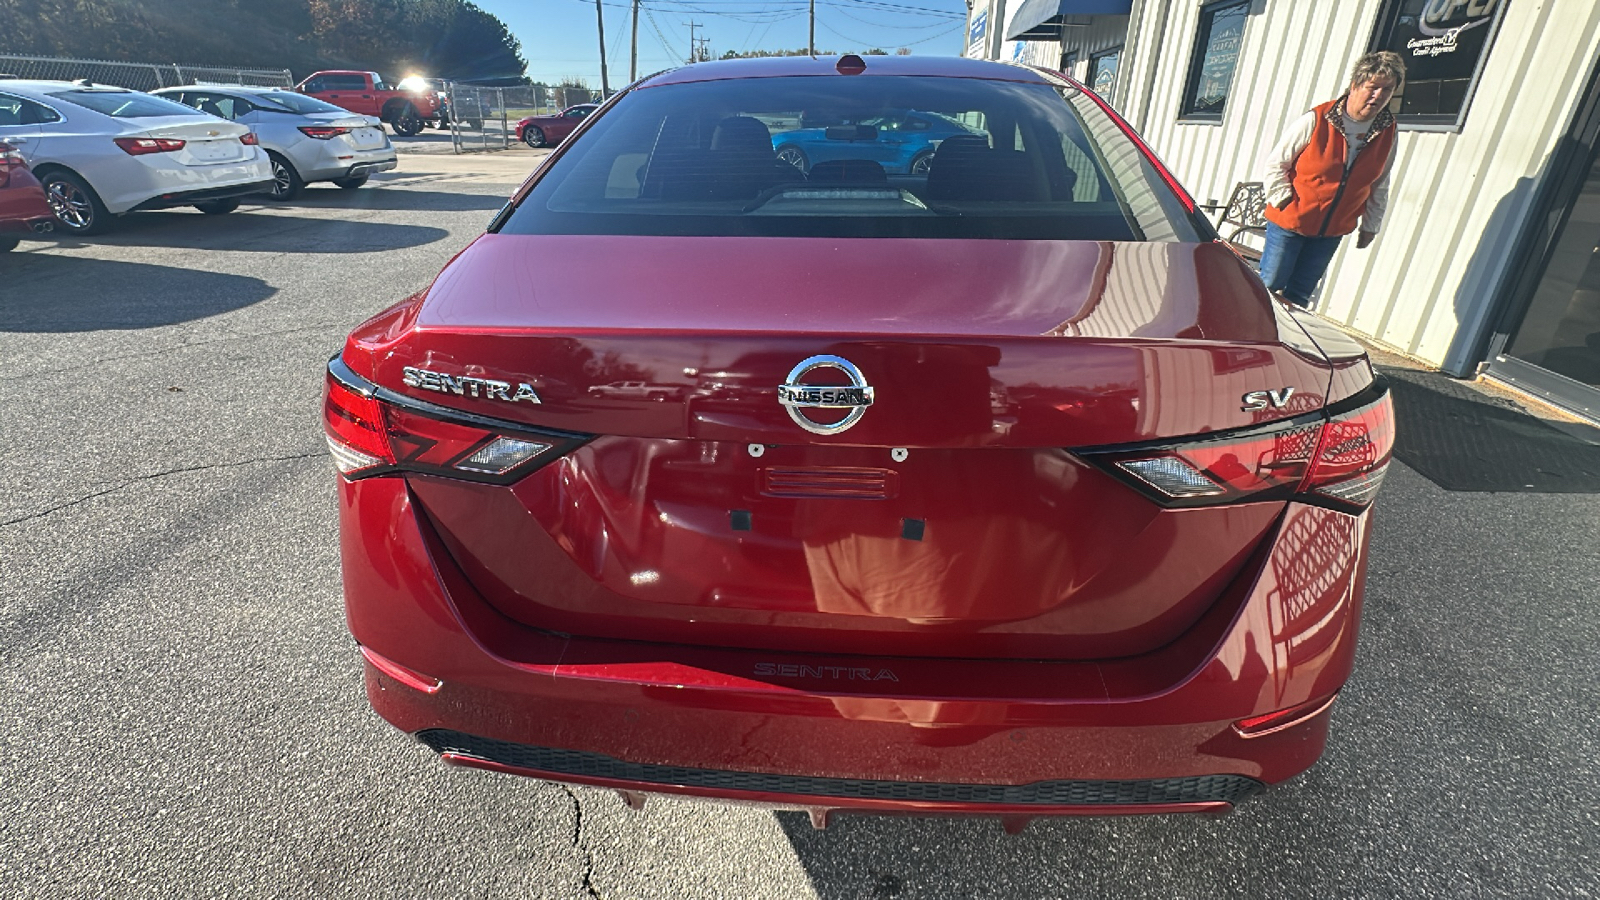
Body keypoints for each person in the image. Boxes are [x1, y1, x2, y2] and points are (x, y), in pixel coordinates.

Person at [1258, 51, 1407, 309]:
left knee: (1299, 296)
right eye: (1372, 88)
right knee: (1269, 286)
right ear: (1355, 86)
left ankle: (1286, 345)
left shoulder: (1387, 131)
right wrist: (1284, 199)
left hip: (1332, 230)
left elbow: (1379, 182)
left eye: (1387, 90)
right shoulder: (1317, 119)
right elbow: (1276, 164)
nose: (1378, 96)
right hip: (1290, 223)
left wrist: (1371, 225)